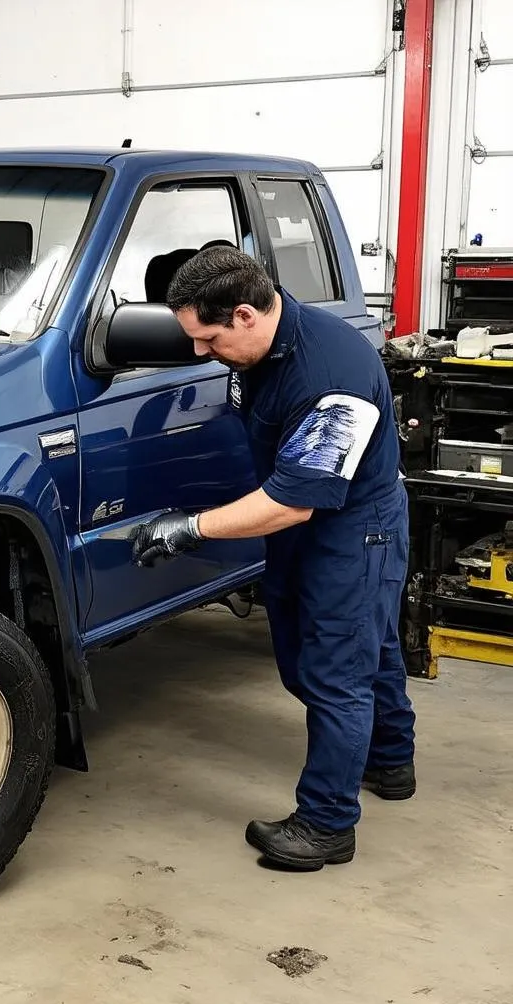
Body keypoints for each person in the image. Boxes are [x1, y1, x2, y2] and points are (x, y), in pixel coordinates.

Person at [129, 247, 416, 871]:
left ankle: (326, 825)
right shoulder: (264, 333)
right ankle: (390, 761)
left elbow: (292, 502)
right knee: (370, 648)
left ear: (244, 314)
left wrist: (191, 528)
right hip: (312, 524)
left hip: (353, 529)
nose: (200, 354)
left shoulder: (330, 377)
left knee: (335, 675)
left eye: (207, 339)